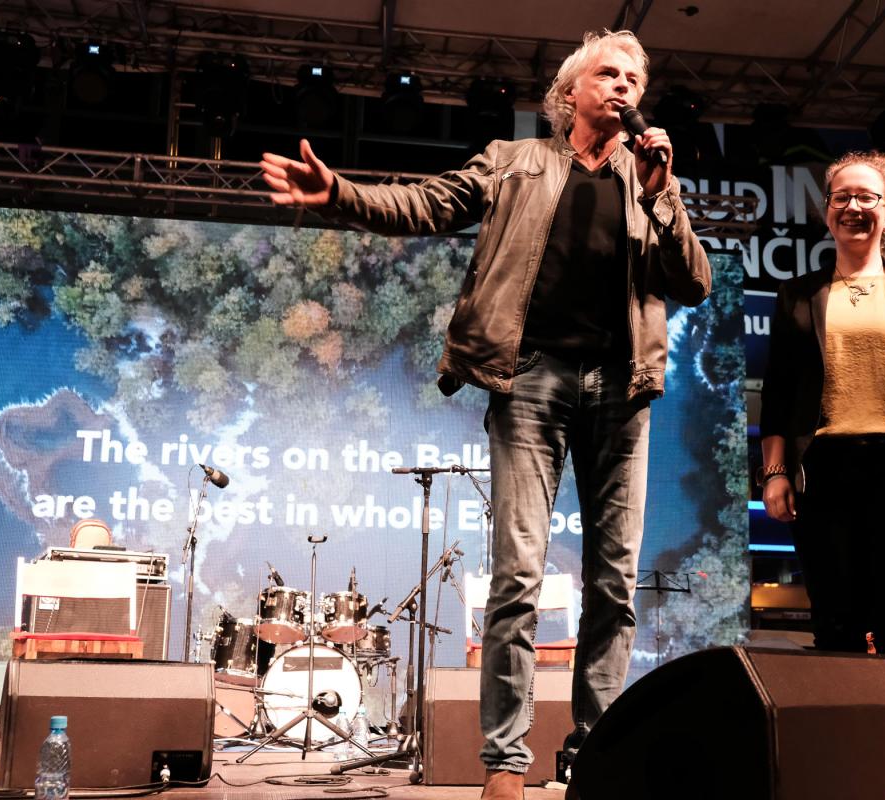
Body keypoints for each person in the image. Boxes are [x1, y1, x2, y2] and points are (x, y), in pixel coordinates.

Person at [260, 29, 710, 799]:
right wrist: (339, 194)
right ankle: (505, 762)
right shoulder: (515, 162)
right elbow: (425, 204)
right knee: (518, 578)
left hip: (621, 388)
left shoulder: (649, 180)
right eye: (610, 73)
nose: (626, 87)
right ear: (571, 93)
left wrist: (664, 191)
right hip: (529, 379)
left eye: (636, 77)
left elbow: (692, 281)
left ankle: (597, 754)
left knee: (614, 585)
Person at [759, 150, 885, 728]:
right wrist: (774, 473)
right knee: (837, 623)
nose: (853, 207)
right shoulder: (798, 294)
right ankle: (848, 760)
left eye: (867, 197)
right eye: (841, 197)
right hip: (824, 468)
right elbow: (778, 392)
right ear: (827, 212)